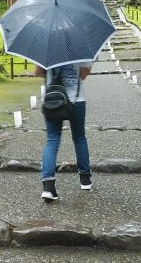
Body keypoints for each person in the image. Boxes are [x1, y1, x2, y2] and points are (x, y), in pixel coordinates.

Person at [34, 62, 93, 201]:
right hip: (77, 99)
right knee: (79, 138)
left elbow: (37, 72)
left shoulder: (46, 47)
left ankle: (48, 187)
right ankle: (85, 180)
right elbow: (83, 75)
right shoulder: (80, 47)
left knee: (52, 140)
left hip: (53, 99)